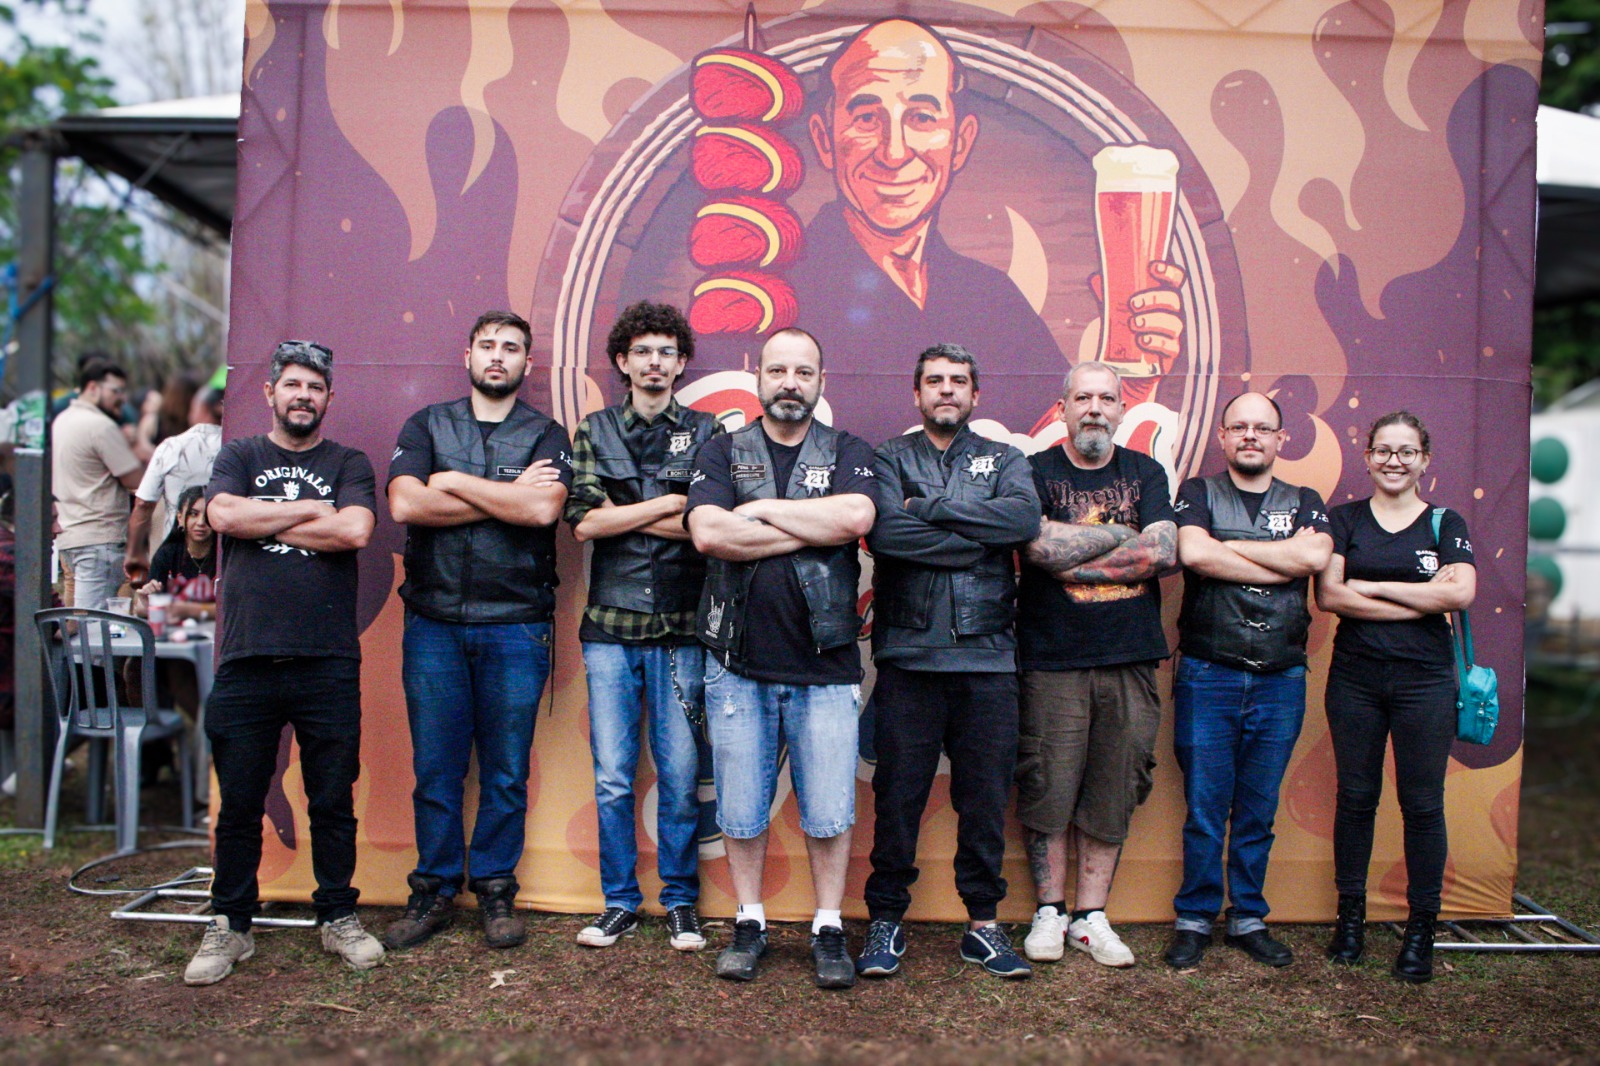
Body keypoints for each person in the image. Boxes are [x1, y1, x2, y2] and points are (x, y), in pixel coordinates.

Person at [791, 17, 1184, 430]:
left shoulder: (991, 296)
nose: (895, 152)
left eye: (922, 118)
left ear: (960, 142)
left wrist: (1133, 384)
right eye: (867, 118)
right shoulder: (779, 292)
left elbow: (1052, 441)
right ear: (824, 139)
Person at [185, 340, 382, 986]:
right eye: (293, 385)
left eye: (315, 387)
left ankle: (338, 916)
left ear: (329, 398)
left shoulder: (348, 462)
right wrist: (309, 511)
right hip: (247, 658)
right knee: (240, 801)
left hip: (327, 659)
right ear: (270, 392)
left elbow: (354, 531)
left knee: (332, 799)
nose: (304, 396)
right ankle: (230, 923)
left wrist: (261, 519)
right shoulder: (239, 455)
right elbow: (220, 515)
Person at [686, 327, 877, 988]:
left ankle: (828, 926)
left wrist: (761, 510)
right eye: (778, 370)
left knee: (828, 811)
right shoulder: (722, 449)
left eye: (803, 371)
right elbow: (708, 532)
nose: (790, 382)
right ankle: (750, 921)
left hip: (825, 663)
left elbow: (854, 519)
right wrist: (807, 526)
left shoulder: (848, 450)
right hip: (736, 662)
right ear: (758, 377)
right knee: (741, 810)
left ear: (821, 380)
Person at [381, 311, 572, 953]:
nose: (498, 356)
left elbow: (541, 510)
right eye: (487, 345)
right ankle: (433, 889)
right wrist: (504, 496)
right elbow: (406, 503)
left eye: (511, 348)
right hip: (433, 622)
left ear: (526, 363)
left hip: (516, 624)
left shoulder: (546, 434)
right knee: (435, 769)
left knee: (505, 772)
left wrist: (456, 483)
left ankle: (494, 888)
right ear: (467, 355)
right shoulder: (427, 424)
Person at [858, 343, 1039, 979]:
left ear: (975, 394)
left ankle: (983, 925)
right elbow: (886, 534)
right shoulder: (889, 457)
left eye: (958, 381)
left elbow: (1021, 522)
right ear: (917, 393)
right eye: (934, 380)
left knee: (984, 801)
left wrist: (929, 511)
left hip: (988, 657)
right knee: (897, 797)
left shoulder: (1006, 458)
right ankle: (885, 921)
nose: (946, 390)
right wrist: (975, 538)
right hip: (909, 655)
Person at [565, 302, 721, 953]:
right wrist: (668, 504)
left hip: (683, 631)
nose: (654, 362)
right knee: (613, 778)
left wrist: (625, 509)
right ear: (622, 362)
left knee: (681, 777)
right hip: (610, 630)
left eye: (666, 352)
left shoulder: (709, 431)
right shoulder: (594, 429)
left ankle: (681, 902)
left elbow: (707, 524)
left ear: (681, 363)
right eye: (643, 351)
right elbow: (585, 523)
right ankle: (619, 903)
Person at [1014, 361, 1177, 969]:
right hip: (1052, 658)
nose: (1094, 409)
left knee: (1115, 787)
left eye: (1106, 398)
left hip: (1131, 657)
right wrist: (1121, 536)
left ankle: (1091, 916)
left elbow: (1162, 551)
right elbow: (1035, 548)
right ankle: (1050, 911)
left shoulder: (1146, 472)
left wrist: (1070, 555)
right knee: (1047, 785)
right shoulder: (1032, 471)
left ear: (1121, 409)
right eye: (1082, 397)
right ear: (1062, 408)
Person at [1163, 392, 1332, 971]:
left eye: (1263, 428)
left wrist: (1228, 548)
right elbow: (1194, 554)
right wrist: (1276, 556)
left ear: (1281, 439)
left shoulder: (1305, 499)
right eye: (1240, 427)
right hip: (1208, 671)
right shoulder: (1197, 492)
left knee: (1258, 808)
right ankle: (1194, 918)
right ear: (1223, 436)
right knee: (1205, 807)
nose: (1251, 436)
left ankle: (1248, 918)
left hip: (1280, 677)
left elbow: (1314, 557)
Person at [1314, 411, 1475, 983]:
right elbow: (1331, 596)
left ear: (1424, 461)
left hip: (1425, 683)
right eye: (1383, 450)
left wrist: (1374, 586)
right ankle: (1350, 922)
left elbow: (1461, 593)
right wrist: (1420, 595)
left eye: (1407, 452)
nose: (1394, 461)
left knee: (1423, 804)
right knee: (1356, 798)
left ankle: (1420, 930)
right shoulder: (1344, 519)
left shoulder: (1445, 522)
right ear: (1367, 457)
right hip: (1355, 680)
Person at [51, 360, 144, 611]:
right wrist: (136, 444)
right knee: (93, 625)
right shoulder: (100, 426)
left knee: (83, 619)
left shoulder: (62, 420)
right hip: (99, 538)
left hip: (71, 534)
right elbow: (135, 480)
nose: (121, 398)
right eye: (116, 390)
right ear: (92, 387)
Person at [126, 386, 224, 583]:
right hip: (225, 554)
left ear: (202, 408)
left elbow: (143, 504)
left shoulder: (172, 447)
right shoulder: (239, 448)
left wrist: (134, 552)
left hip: (176, 553)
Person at [136, 485, 217, 623]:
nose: (201, 522)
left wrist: (187, 610)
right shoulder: (167, 554)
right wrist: (146, 601)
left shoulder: (226, 555)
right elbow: (142, 610)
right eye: (193, 514)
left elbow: (232, 609)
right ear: (180, 518)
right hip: (175, 632)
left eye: (207, 515)